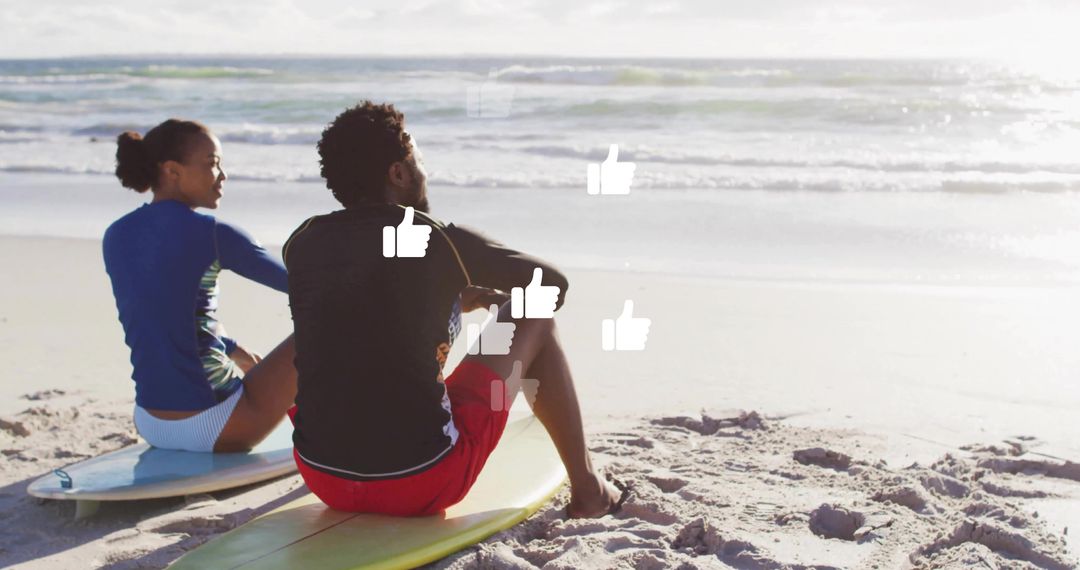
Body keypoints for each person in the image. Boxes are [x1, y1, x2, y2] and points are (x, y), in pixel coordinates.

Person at [283, 101, 630, 518]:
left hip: (324, 477)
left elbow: (373, 300)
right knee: (536, 312)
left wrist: (458, 295)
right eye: (419, 159)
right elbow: (552, 286)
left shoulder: (303, 243)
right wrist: (471, 280)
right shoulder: (438, 240)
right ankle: (589, 490)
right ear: (398, 172)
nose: (425, 170)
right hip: (421, 480)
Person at [104, 119, 297, 453]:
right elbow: (311, 287)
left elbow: (159, 311)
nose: (222, 175)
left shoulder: (116, 234)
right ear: (172, 171)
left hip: (150, 422)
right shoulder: (215, 235)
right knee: (330, 320)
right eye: (212, 164)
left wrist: (230, 347)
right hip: (217, 424)